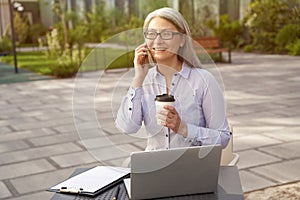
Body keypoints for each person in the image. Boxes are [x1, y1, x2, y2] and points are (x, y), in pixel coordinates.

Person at [115, 7, 230, 151]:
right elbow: (127, 127)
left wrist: (183, 128)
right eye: (151, 34)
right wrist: (138, 79)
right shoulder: (144, 80)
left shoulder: (203, 80)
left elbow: (223, 138)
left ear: (182, 40)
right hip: (153, 168)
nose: (157, 41)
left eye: (166, 34)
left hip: (191, 168)